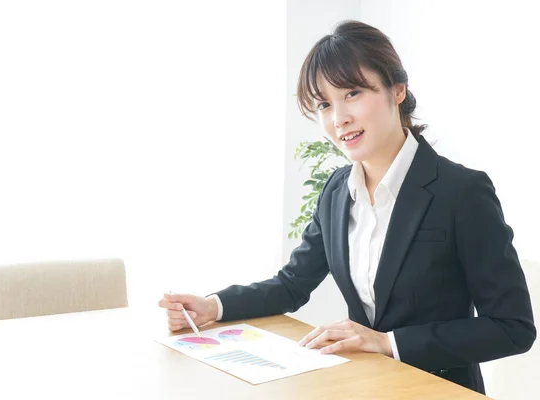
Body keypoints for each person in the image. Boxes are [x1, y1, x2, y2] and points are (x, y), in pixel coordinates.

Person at [157, 20, 535, 394]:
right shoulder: (337, 190)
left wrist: (388, 342)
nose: (339, 119)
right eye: (324, 104)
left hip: (436, 389)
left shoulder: (462, 191)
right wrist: (212, 306)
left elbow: (512, 327)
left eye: (352, 93)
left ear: (397, 89)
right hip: (363, 386)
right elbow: (292, 285)